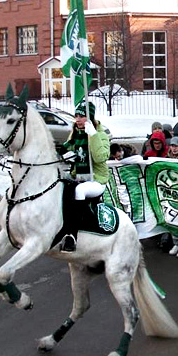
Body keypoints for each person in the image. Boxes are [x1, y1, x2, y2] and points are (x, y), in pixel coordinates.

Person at [60, 101, 111, 252]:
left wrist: (93, 135)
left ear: (90, 118)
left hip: (96, 180)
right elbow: (63, 149)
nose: (78, 119)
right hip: (79, 177)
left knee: (79, 191)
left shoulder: (101, 135)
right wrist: (66, 155)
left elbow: (100, 157)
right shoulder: (75, 134)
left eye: (82, 116)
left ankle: (73, 235)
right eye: (76, 116)